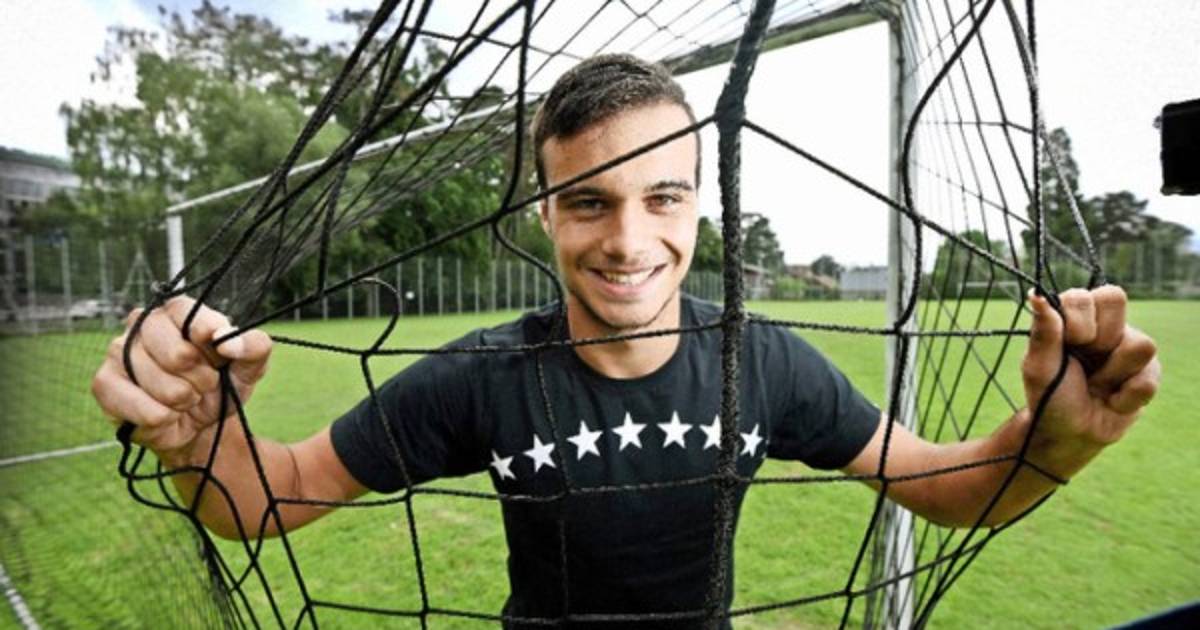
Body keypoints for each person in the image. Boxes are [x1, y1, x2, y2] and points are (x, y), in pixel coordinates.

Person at [91, 54, 1161, 627]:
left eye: (663, 197)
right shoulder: (482, 374)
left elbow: (943, 485)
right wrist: (200, 436)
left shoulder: (762, 359)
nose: (630, 240)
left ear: (700, 201)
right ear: (544, 214)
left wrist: (1050, 443)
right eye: (590, 201)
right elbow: (267, 499)